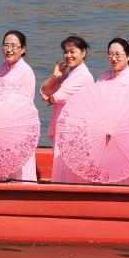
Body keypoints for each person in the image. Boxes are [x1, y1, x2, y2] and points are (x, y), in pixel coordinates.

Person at [41, 35, 95, 182]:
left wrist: (50, 99)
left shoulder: (83, 76)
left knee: (68, 169)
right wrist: (55, 76)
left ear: (83, 53)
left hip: (73, 129)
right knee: (61, 166)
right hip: (63, 126)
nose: (68, 55)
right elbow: (45, 90)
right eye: (66, 52)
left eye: (72, 51)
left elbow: (58, 96)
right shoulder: (68, 74)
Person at [0, 30, 38, 182]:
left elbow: (24, 105)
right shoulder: (3, 67)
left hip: (19, 126)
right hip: (3, 124)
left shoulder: (26, 72)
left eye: (14, 46)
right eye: (6, 45)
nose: (9, 49)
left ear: (23, 49)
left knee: (20, 169)